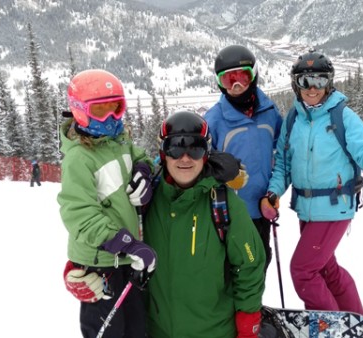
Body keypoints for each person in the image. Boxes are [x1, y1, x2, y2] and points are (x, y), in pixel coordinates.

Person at [259, 50, 363, 316]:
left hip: (335, 206)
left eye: (320, 81)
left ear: (329, 82)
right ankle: (355, 322)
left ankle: (327, 327)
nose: (312, 88)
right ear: (296, 84)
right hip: (306, 208)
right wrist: (274, 192)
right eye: (305, 81)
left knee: (303, 271)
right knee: (326, 268)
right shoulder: (293, 119)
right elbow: (283, 165)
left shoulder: (342, 116)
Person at [142, 111, 266, 337]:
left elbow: (250, 263)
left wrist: (248, 317)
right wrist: (82, 261)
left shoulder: (223, 203)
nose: (185, 158)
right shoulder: (146, 200)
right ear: (163, 153)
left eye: (195, 148)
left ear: (206, 153)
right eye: (175, 148)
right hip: (157, 330)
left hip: (214, 331)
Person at [58, 69, 157, 338]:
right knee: (109, 332)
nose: (111, 118)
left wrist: (143, 172)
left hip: (125, 259)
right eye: (100, 110)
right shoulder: (79, 158)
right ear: (80, 111)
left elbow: (142, 157)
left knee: (137, 329)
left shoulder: (118, 140)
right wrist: (127, 244)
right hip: (100, 264)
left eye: (116, 108)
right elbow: (80, 214)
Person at [205, 44, 283, 273]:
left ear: (254, 75)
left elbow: (282, 151)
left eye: (243, 77)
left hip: (262, 207)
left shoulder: (269, 112)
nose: (237, 86)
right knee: (235, 266)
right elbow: (199, 164)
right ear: (220, 84)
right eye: (229, 80)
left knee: (262, 260)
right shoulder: (214, 120)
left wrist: (274, 191)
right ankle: (234, 308)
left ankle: (253, 306)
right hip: (231, 213)